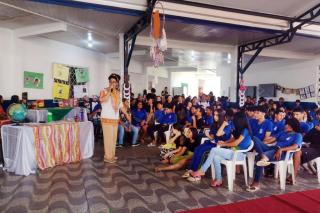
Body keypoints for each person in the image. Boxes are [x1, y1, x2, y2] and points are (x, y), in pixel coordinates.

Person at [190, 112, 252, 187]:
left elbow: (235, 143)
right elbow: (233, 139)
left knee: (213, 150)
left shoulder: (245, 130)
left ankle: (202, 170)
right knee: (216, 157)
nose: (233, 121)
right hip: (233, 152)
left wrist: (223, 144)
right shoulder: (240, 130)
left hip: (239, 154)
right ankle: (219, 179)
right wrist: (224, 142)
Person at [247, 118, 302, 191]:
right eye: (286, 124)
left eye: (288, 125)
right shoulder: (282, 133)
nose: (286, 126)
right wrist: (260, 144)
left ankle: (256, 182)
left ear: (293, 126)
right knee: (254, 138)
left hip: (282, 153)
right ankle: (263, 156)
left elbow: (295, 146)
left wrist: (281, 149)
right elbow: (269, 141)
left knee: (259, 158)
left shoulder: (297, 135)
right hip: (273, 148)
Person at [184, 109, 233, 182]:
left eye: (217, 115)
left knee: (202, 152)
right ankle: (191, 169)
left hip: (220, 146)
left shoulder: (227, 125)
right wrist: (208, 135)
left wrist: (222, 125)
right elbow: (213, 136)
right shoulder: (214, 125)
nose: (214, 117)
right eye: (214, 115)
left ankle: (197, 173)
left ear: (222, 116)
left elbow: (218, 134)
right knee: (197, 149)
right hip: (212, 142)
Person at [99, 73, 121, 163]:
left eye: (114, 82)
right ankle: (108, 157)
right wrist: (109, 91)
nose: (112, 83)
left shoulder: (118, 93)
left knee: (113, 138)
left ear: (117, 83)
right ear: (109, 82)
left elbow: (119, 105)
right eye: (111, 82)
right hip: (106, 118)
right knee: (108, 138)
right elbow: (102, 100)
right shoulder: (103, 91)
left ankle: (112, 155)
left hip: (115, 118)